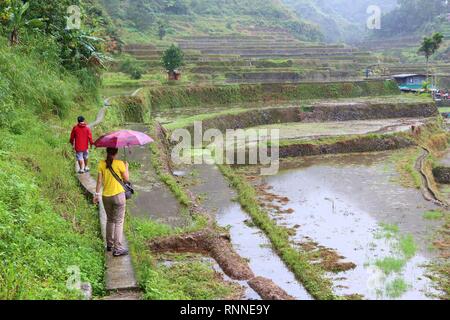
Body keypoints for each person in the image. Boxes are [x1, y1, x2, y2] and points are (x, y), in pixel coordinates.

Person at [94, 148, 130, 257]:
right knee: (119, 221)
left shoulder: (101, 164)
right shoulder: (119, 163)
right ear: (116, 153)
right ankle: (118, 248)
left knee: (110, 220)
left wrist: (96, 194)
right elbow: (126, 179)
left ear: (107, 152)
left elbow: (99, 181)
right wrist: (126, 167)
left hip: (106, 197)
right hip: (118, 196)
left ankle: (109, 245)